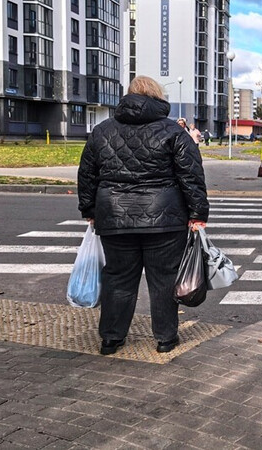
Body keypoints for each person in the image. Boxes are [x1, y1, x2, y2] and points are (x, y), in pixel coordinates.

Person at [78, 75, 209, 356]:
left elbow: (87, 174)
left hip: (114, 217)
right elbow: (191, 175)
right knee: (163, 279)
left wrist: (89, 210)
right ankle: (164, 338)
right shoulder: (173, 132)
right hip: (165, 219)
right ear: (157, 97)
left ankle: (111, 338)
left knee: (118, 278)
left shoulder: (102, 131)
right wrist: (198, 213)